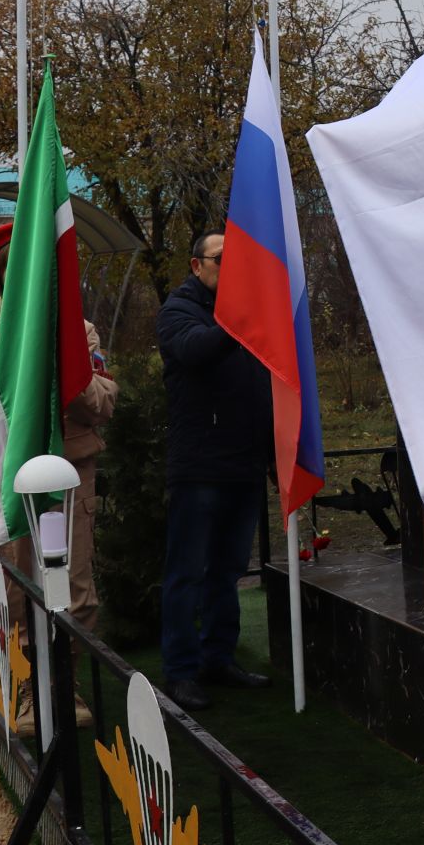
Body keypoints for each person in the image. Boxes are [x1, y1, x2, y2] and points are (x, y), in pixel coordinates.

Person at [0, 222, 116, 729]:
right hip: (4, 486)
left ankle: (66, 685)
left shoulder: (78, 333)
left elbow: (104, 403)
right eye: (19, 269)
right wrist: (7, 438)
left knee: (73, 585)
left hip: (68, 483)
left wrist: (69, 371)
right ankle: (25, 688)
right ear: (1, 275)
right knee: (14, 590)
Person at [156, 230, 274, 713]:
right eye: (222, 260)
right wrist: (240, 318)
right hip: (200, 465)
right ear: (197, 265)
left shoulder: (248, 313)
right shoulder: (178, 311)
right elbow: (196, 351)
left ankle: (217, 658)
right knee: (187, 573)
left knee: (227, 571)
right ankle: (180, 672)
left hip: (243, 462)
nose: (231, 269)